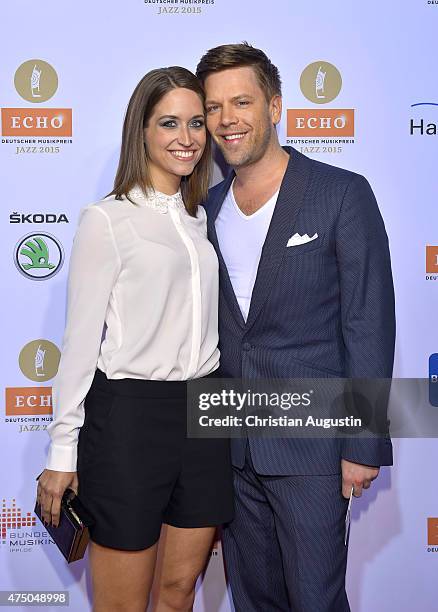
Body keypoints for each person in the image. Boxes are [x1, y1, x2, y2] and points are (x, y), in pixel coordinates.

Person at [196, 43, 395, 611]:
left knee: (316, 601)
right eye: (214, 107)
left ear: (276, 106)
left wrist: (362, 444)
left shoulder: (341, 193)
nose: (227, 119)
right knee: (254, 602)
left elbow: (368, 323)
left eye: (242, 101)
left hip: (313, 449)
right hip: (231, 452)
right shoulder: (204, 209)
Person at [36, 66, 234, 612]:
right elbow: (79, 344)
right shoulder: (107, 219)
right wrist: (61, 451)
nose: (188, 138)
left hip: (205, 413)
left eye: (197, 123)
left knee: (176, 593)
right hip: (129, 421)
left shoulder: (200, 219)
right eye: (169, 122)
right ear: (141, 130)